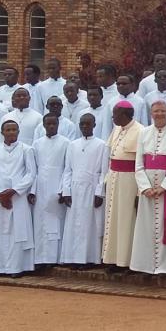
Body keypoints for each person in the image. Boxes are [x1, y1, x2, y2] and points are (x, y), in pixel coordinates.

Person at [131, 101, 166, 274]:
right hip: (148, 189)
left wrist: (164, 186)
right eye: (156, 111)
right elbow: (139, 164)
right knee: (147, 228)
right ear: (151, 114)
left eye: (163, 111)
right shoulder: (144, 133)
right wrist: (145, 187)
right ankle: (146, 265)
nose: (159, 114)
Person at [0, 120, 37, 276]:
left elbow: (31, 174)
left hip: (17, 196)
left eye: (14, 129)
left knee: (17, 231)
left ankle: (16, 267)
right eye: (8, 130)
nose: (11, 132)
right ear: (2, 132)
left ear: (19, 132)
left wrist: (13, 191)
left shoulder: (26, 149)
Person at [57, 113, 107, 266]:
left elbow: (103, 171)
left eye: (88, 124)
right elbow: (68, 170)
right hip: (75, 189)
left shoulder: (102, 145)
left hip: (91, 189)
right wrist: (66, 191)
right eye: (82, 124)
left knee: (90, 224)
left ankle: (89, 258)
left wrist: (100, 192)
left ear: (94, 125)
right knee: (74, 224)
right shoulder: (73, 145)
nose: (85, 127)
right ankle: (72, 258)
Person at [102, 101, 143, 269]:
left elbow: (141, 163)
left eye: (115, 114)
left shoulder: (140, 131)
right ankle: (112, 259)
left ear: (125, 115)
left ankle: (125, 262)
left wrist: (139, 192)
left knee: (126, 221)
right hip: (114, 179)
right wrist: (106, 179)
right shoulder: (117, 128)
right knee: (112, 219)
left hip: (129, 182)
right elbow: (112, 157)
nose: (113, 117)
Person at [29, 113, 71, 265]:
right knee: (40, 222)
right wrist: (32, 191)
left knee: (55, 222)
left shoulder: (66, 143)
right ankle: (40, 258)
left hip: (56, 187)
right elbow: (33, 170)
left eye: (54, 124)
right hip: (40, 187)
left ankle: (56, 258)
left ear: (58, 125)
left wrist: (63, 190)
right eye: (49, 124)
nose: (51, 126)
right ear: (44, 125)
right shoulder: (37, 144)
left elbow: (67, 168)